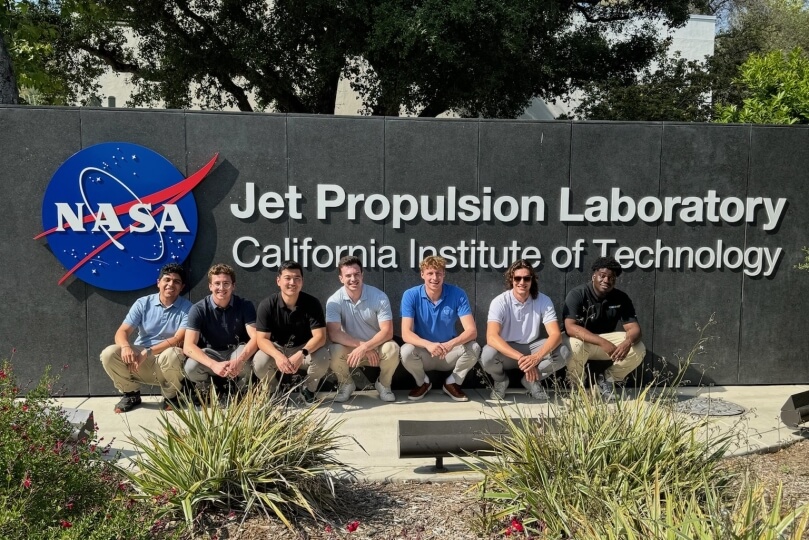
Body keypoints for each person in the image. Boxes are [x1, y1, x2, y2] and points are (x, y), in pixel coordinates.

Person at [100, 263, 192, 413]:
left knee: (174, 353)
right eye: (167, 280)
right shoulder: (143, 303)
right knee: (109, 353)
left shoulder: (188, 308)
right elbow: (122, 331)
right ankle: (131, 394)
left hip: (166, 362)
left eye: (176, 281)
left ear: (182, 287)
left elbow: (178, 339)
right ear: (158, 283)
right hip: (138, 363)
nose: (171, 284)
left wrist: (148, 352)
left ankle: (171, 397)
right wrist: (125, 347)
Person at [481, 260, 570, 401]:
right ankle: (501, 381)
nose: (522, 282)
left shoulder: (543, 300)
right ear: (512, 279)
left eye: (526, 278)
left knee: (563, 353)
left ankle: (532, 380)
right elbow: (492, 336)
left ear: (532, 280)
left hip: (532, 348)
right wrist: (521, 358)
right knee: (487, 356)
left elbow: (555, 335)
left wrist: (537, 357)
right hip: (507, 350)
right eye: (517, 278)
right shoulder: (500, 301)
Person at [563, 256, 646, 401]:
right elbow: (570, 327)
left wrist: (627, 343)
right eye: (602, 276)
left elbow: (634, 329)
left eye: (611, 277)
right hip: (580, 341)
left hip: (604, 344)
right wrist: (602, 342)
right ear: (594, 275)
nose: (606, 280)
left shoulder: (621, 297)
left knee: (638, 348)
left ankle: (606, 382)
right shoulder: (578, 293)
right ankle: (576, 387)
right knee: (576, 345)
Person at [400, 256, 480, 402]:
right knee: (405, 351)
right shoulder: (410, 295)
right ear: (422, 274)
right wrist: (428, 345)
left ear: (444, 274)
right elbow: (406, 333)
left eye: (438, 273)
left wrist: (450, 344)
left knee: (474, 347)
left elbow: (471, 331)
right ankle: (422, 383)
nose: (434, 278)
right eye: (430, 273)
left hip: (448, 352)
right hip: (424, 352)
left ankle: (452, 383)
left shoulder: (458, 294)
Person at [254, 261, 330, 404]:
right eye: (287, 278)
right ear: (278, 281)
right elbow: (262, 339)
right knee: (259, 362)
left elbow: (320, 337)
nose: (292, 282)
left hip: (304, 348)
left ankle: (308, 390)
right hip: (277, 348)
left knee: (323, 357)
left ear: (302, 281)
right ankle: (273, 391)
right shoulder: (267, 305)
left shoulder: (312, 303)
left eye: (297, 278)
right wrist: (278, 356)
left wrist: (301, 354)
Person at [326, 256, 400, 403]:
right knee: (333, 350)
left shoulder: (379, 297)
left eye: (356, 274)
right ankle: (346, 384)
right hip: (351, 350)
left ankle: (384, 385)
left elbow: (387, 331)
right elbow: (334, 333)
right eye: (348, 275)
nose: (353, 279)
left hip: (376, 349)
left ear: (362, 275)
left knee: (392, 348)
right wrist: (362, 346)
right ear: (341, 278)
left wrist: (367, 346)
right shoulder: (334, 301)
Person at [183, 263, 258, 396]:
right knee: (191, 367)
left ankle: (241, 388)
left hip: (236, 351)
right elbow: (188, 346)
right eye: (217, 283)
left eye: (226, 283)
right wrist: (213, 365)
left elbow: (255, 337)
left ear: (233, 286)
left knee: (249, 362)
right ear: (210, 286)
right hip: (211, 352)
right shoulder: (198, 309)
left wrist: (239, 361)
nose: (221, 288)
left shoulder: (245, 305)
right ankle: (207, 390)